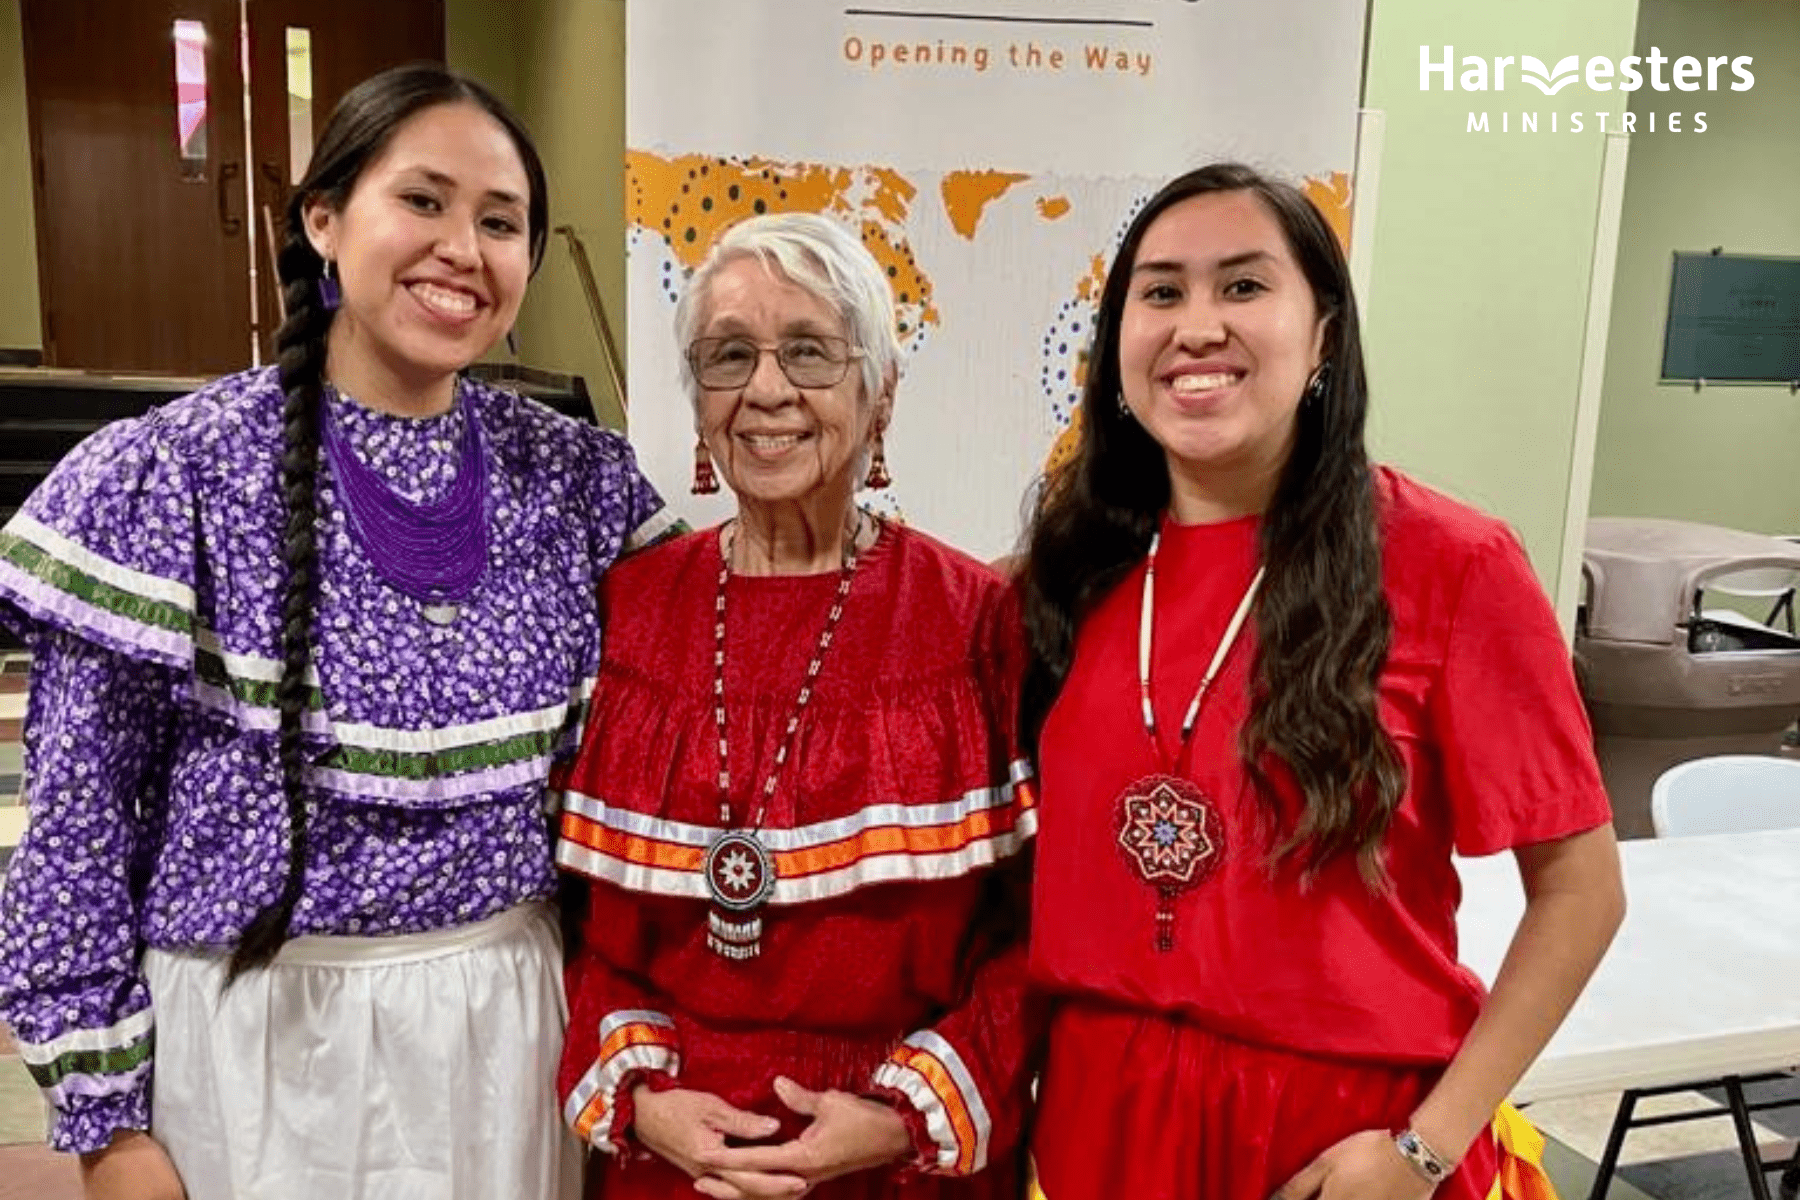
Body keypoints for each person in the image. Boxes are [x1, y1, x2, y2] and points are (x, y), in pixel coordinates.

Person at [0, 65, 674, 1200]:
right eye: (423, 200)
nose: (462, 246)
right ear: (323, 220)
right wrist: (107, 1128)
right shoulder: (177, 476)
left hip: (505, 1042)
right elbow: (76, 829)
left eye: (500, 222)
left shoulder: (577, 483)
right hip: (258, 1054)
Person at [1018, 163, 1625, 1200]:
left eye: (1243, 286)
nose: (1197, 324)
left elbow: (1582, 894)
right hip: (1099, 1129)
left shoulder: (1451, 565)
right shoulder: (1070, 570)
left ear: (1326, 338)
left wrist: (1423, 1151)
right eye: (1159, 292)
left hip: (1343, 1147)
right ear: (1118, 342)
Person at [554, 212, 1037, 1200]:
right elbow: (588, 932)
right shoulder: (632, 610)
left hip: (898, 1165)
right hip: (677, 1159)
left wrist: (899, 1119)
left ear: (880, 395)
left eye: (810, 353)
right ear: (698, 403)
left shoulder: (973, 621)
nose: (767, 390)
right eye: (730, 356)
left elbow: (1033, 933)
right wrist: (644, 1100)